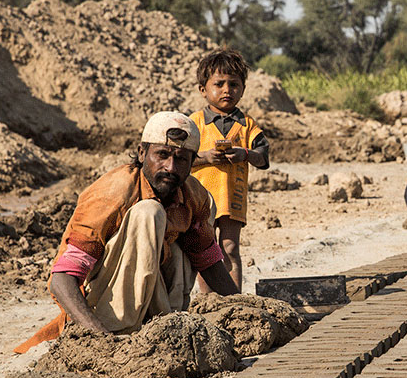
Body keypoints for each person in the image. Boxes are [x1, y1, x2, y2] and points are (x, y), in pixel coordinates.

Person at [14, 112, 238, 353]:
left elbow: (208, 261)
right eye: (161, 155)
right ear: (142, 153)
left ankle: (165, 325)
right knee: (149, 213)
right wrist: (100, 339)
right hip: (103, 310)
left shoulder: (192, 194)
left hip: (158, 309)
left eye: (182, 159)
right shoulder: (115, 191)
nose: (170, 168)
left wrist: (242, 309)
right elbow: (61, 280)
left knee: (184, 231)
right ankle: (124, 329)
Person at [188, 48, 270, 291]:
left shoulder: (247, 125)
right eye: (219, 84)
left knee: (230, 248)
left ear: (243, 89)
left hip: (232, 198)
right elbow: (181, 158)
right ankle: (209, 301)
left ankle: (234, 298)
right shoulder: (194, 123)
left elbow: (263, 157)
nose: (227, 90)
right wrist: (204, 157)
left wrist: (244, 154)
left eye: (234, 84)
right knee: (206, 248)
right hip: (201, 199)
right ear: (203, 89)